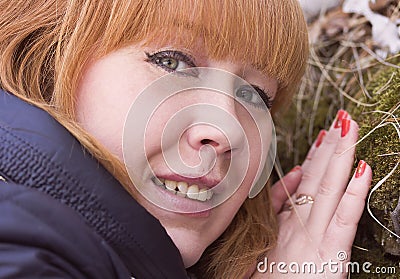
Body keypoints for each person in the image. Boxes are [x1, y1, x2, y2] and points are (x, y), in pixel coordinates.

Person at [0, 0, 372, 278]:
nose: (226, 131)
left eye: (255, 95)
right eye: (172, 62)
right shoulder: (18, 243)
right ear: (45, 61)